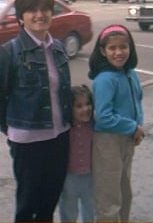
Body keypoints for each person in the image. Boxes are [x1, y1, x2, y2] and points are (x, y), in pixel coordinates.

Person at [0, 0, 72, 223]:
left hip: (60, 137)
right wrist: (11, 128)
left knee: (50, 200)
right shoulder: (8, 53)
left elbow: (63, 92)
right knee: (28, 204)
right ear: (21, 16)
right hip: (28, 141)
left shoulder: (59, 48)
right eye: (32, 10)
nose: (39, 14)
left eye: (45, 9)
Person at [88, 24, 144, 223]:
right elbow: (103, 116)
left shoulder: (131, 74)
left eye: (123, 47)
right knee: (109, 197)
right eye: (112, 48)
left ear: (130, 48)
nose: (119, 52)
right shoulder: (104, 79)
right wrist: (133, 127)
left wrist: (138, 126)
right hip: (107, 143)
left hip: (127, 139)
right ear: (103, 51)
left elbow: (137, 101)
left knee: (124, 191)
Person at [59, 85, 94, 223]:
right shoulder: (64, 128)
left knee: (90, 209)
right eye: (79, 106)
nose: (85, 109)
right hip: (69, 177)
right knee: (68, 211)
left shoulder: (94, 125)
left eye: (88, 104)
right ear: (69, 108)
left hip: (90, 175)